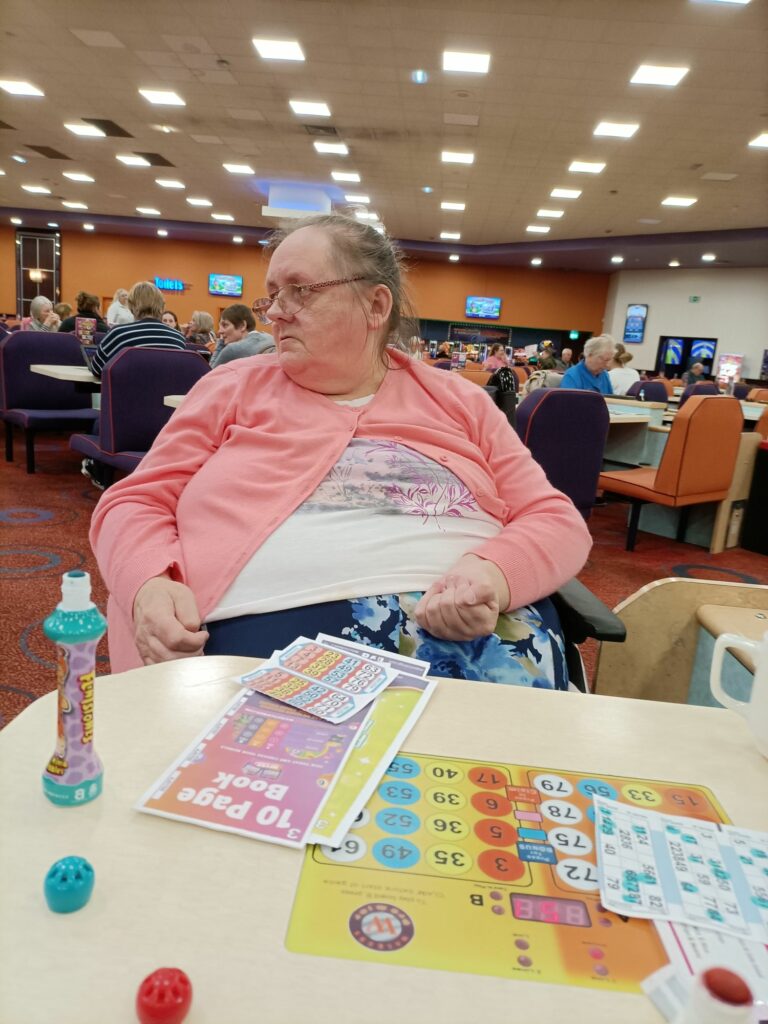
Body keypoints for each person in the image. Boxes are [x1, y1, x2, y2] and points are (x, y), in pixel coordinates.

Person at [90, 214, 592, 690]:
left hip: (483, 637)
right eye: (272, 295)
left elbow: (554, 518)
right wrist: (148, 584)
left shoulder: (458, 400)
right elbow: (134, 502)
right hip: (263, 637)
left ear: (375, 305)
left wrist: (494, 573)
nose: (276, 311)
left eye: (300, 290)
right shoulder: (231, 387)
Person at [90, 281, 187, 377]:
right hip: (167, 387)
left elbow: (96, 369)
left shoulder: (118, 334)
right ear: (162, 306)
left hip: (127, 387)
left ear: (131, 306)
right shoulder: (178, 338)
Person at [209, 304, 276, 368]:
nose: (219, 331)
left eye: (225, 325)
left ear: (242, 325)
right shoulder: (271, 339)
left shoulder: (232, 350)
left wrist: (221, 343)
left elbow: (209, 373)